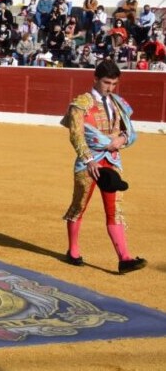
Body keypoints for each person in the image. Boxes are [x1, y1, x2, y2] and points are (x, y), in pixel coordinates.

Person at [60, 60, 146, 274]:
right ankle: (73, 251)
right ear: (95, 79)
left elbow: (130, 131)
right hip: (89, 163)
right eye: (106, 82)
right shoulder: (80, 104)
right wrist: (89, 160)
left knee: (115, 210)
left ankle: (124, 258)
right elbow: (76, 135)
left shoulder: (118, 102)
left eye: (114, 83)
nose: (110, 87)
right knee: (79, 205)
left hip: (113, 160)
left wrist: (123, 139)